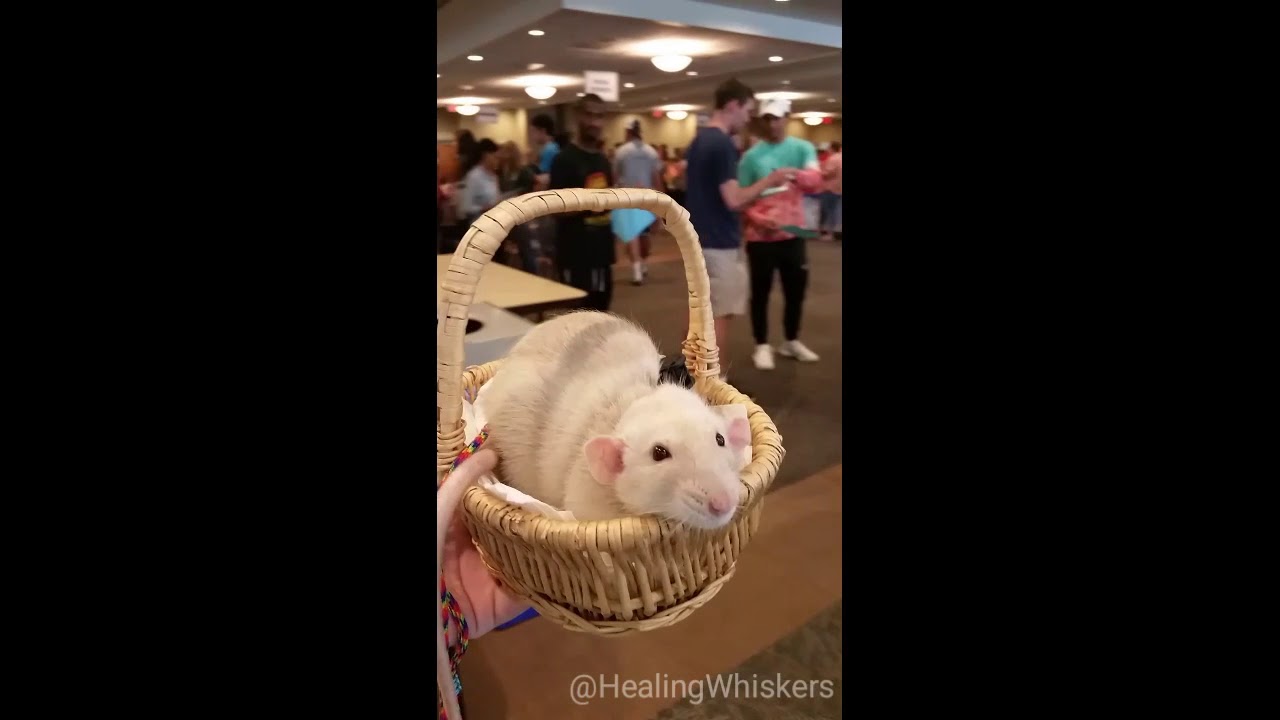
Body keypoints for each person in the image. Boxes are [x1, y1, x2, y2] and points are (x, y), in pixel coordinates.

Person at [682, 78, 792, 376]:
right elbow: (733, 199)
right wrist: (770, 181)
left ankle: (696, 379)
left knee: (701, 312)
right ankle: (712, 384)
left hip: (700, 238)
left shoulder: (700, 140)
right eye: (747, 110)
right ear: (733, 105)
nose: (748, 119)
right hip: (717, 242)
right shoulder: (721, 144)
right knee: (718, 314)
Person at [738, 99, 822, 369]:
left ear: (787, 117)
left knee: (795, 290)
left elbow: (815, 181)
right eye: (768, 119)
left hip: (792, 233)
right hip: (761, 236)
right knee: (760, 291)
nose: (772, 124)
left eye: (777, 118)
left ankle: (791, 340)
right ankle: (761, 344)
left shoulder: (802, 148)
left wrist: (790, 173)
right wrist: (759, 219)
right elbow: (741, 199)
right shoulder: (751, 156)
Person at [549, 93, 616, 311]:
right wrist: (590, 203)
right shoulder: (564, 159)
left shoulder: (602, 159)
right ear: (577, 116)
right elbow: (556, 209)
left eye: (600, 116)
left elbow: (608, 198)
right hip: (576, 254)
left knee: (601, 313)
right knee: (577, 319)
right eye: (589, 115)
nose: (595, 122)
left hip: (602, 252)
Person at [612, 119, 664, 285]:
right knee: (644, 234)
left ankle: (637, 270)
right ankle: (642, 264)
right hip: (647, 197)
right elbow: (657, 178)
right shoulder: (651, 152)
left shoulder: (621, 152)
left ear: (627, 132)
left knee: (632, 234)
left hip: (627, 196)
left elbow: (614, 176)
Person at [457, 138, 501, 227]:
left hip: (495, 224)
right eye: (495, 157)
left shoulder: (494, 176)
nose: (497, 161)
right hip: (480, 225)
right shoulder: (474, 177)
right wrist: (483, 208)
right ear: (485, 155)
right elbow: (465, 207)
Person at [819, 141, 843, 242]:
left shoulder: (833, 159)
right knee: (837, 211)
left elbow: (827, 173)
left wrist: (819, 171)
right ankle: (835, 232)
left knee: (829, 211)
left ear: (832, 148)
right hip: (839, 188)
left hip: (830, 188)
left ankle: (830, 233)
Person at [529, 114, 559, 189]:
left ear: (542, 131)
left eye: (533, 131)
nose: (532, 135)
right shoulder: (554, 146)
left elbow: (542, 177)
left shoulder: (548, 150)